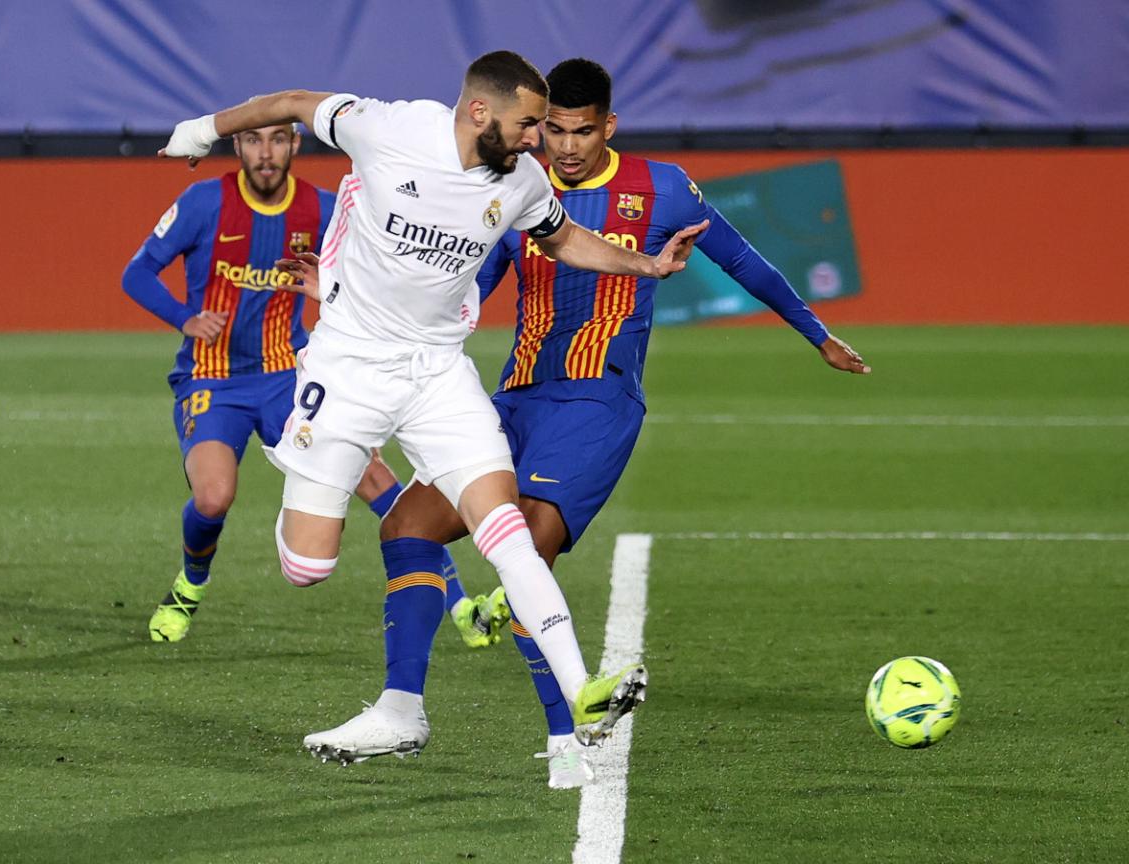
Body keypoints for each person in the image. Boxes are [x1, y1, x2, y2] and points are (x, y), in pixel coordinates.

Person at [159, 50, 708, 764]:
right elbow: (293, 101)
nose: (536, 139)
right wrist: (204, 128)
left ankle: (579, 692)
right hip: (348, 365)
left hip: (436, 372)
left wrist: (648, 264)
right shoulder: (389, 130)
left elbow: (565, 238)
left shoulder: (522, 181)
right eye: (527, 124)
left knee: (504, 527)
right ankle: (309, 461)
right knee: (307, 566)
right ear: (480, 112)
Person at [356, 57, 869, 787]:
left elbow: (743, 260)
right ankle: (402, 709)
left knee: (528, 546)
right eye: (553, 131)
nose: (565, 147)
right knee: (404, 526)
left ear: (610, 126)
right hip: (513, 398)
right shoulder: (513, 189)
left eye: (581, 131)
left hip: (598, 399)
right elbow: (461, 283)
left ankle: (567, 738)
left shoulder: (660, 188)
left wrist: (817, 334)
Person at [123, 122, 503, 646]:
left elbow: (377, 268)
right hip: (212, 378)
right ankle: (190, 584)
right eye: (254, 140)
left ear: (295, 145)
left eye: (278, 139)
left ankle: (459, 601)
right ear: (236, 145)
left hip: (291, 375)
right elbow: (137, 273)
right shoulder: (203, 202)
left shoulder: (325, 209)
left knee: (375, 479)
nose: (266, 152)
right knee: (213, 498)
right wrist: (185, 318)